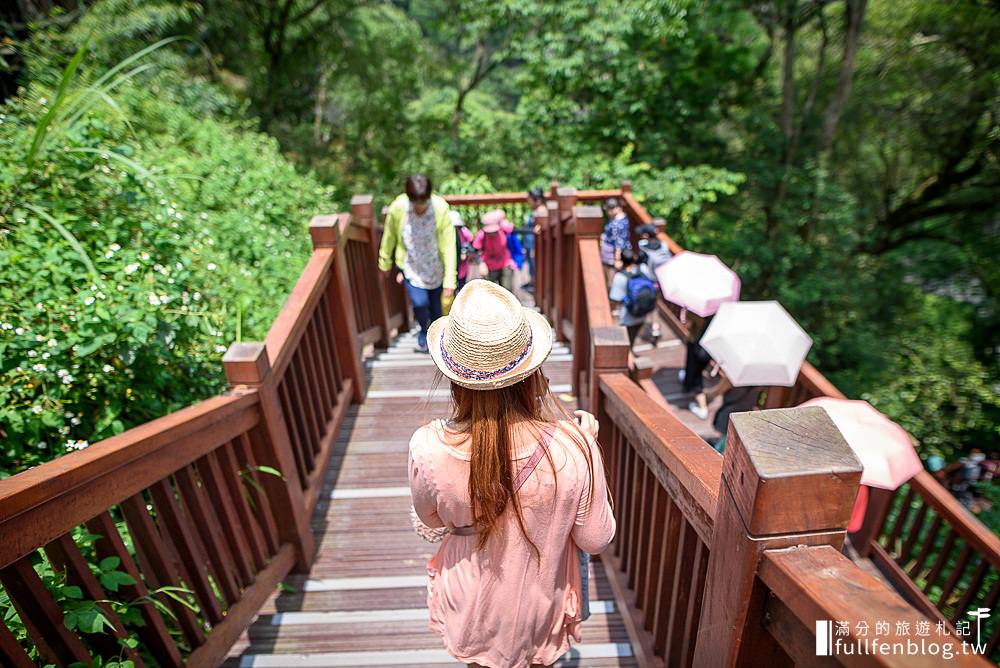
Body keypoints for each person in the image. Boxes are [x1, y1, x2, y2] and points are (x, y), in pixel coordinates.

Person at [409, 280, 616, 667]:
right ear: (532, 371)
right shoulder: (572, 446)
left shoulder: (428, 445)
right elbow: (595, 539)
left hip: (469, 601)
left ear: (454, 377)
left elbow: (429, 518)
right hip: (540, 605)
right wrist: (588, 450)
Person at [379, 174, 457, 353]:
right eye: (416, 202)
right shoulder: (398, 207)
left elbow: (449, 245)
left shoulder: (440, 208)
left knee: (437, 307)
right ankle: (424, 330)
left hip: (436, 266)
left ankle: (438, 339)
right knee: (420, 303)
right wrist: (385, 261)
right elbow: (389, 235)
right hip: (411, 266)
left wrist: (450, 280)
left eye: (424, 201)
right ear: (409, 197)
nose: (420, 206)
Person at [608, 248, 657, 348]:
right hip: (643, 312)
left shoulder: (620, 277)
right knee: (632, 338)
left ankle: (630, 355)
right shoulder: (643, 268)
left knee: (626, 343)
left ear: (621, 260)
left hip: (627, 316)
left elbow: (615, 299)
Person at [679, 313, 714, 419]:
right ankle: (687, 383)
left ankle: (702, 408)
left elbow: (688, 326)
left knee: (696, 379)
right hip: (707, 350)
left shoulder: (696, 313)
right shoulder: (715, 315)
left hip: (697, 349)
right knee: (695, 372)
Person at [474, 209, 515, 292]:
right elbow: (475, 250)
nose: (493, 233)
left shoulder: (504, 229)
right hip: (489, 267)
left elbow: (515, 229)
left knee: (507, 291)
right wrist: (481, 263)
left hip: (505, 263)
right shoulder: (481, 235)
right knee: (489, 292)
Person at [599, 197, 631, 285]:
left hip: (613, 257)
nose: (608, 212)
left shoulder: (617, 224)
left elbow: (619, 243)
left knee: (611, 281)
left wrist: (617, 259)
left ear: (617, 208)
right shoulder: (621, 218)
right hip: (611, 254)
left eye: (610, 209)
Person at [521, 188, 545, 290]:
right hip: (531, 245)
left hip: (536, 245)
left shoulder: (542, 211)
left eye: (530, 199)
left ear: (537, 200)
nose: (528, 201)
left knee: (536, 268)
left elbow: (540, 230)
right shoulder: (536, 211)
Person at [451, 210, 476, 293]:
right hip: (452, 264)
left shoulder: (464, 232)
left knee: (461, 286)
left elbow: (470, 242)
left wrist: (466, 253)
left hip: (462, 266)